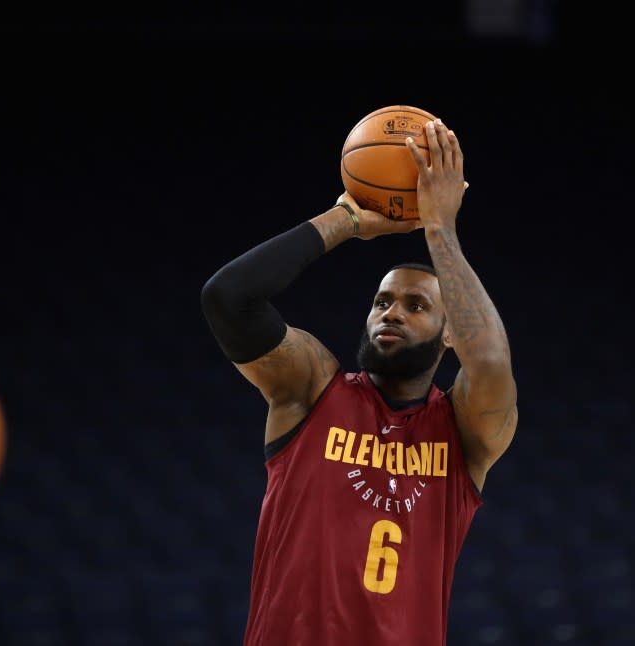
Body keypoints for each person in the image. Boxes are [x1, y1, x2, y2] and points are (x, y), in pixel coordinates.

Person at [201, 118, 517, 645]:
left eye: (416, 306)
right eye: (381, 301)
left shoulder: (463, 431)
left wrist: (440, 229)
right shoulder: (312, 390)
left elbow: (488, 363)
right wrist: (345, 218)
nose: (391, 313)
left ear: (448, 336)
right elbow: (228, 298)